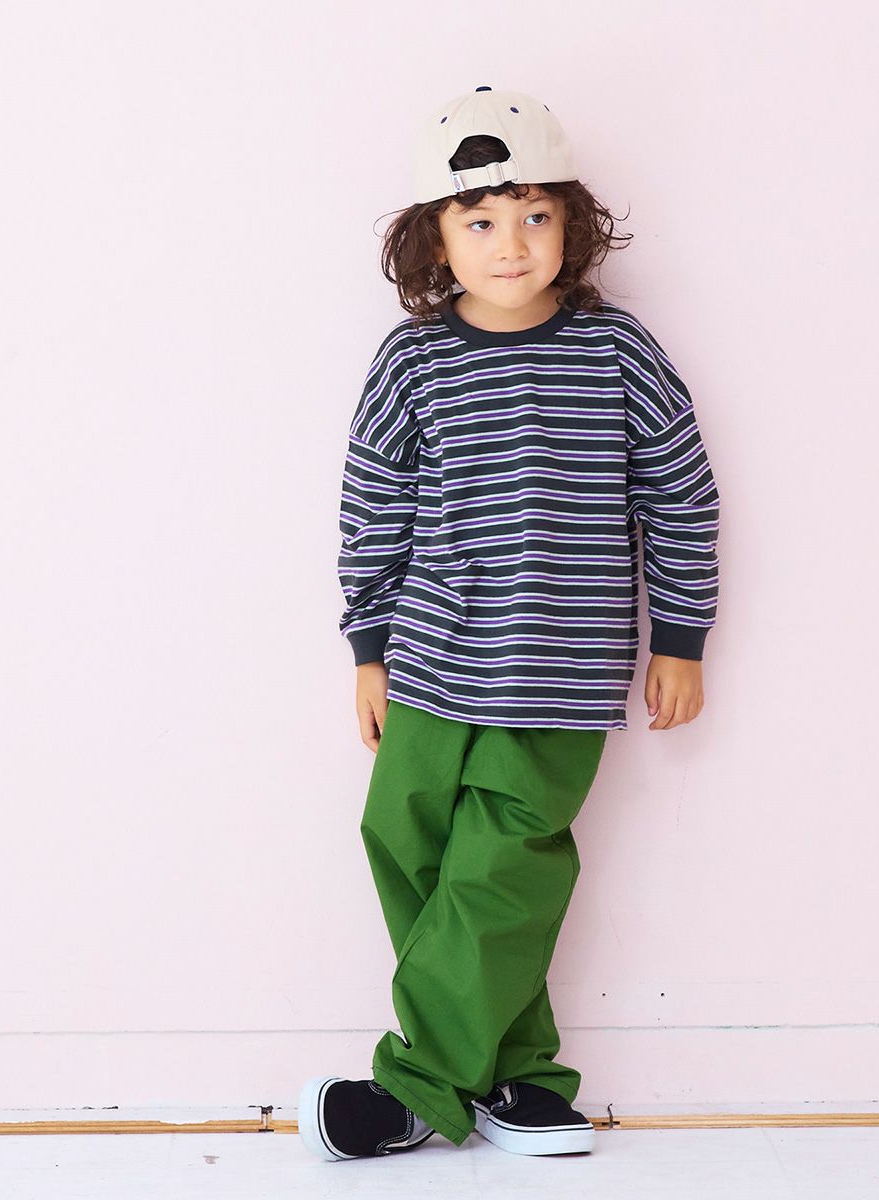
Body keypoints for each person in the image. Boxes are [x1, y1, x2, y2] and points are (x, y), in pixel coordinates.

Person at [298, 85, 721, 1161]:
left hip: (557, 674)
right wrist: (368, 649)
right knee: (410, 849)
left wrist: (681, 638)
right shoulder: (412, 361)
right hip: (431, 660)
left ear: (572, 225)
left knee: (501, 872)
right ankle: (518, 1076)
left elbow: (680, 494)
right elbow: (374, 504)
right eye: (480, 220)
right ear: (433, 238)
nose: (511, 243)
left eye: (535, 216)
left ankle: (416, 1089)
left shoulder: (617, 350)